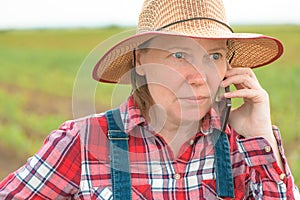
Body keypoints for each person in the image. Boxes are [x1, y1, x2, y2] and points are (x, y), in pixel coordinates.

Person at [0, 0, 299, 199]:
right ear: (141, 61)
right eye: (179, 55)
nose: (200, 75)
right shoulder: (83, 141)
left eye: (215, 55)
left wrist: (261, 135)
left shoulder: (243, 146)